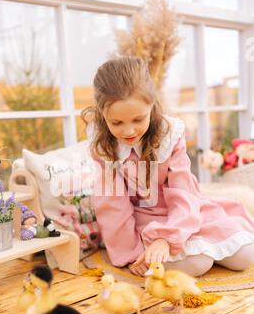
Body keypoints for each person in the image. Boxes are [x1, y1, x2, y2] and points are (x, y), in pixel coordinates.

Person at [82, 56, 254, 277]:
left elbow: (184, 193)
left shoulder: (169, 135)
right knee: (198, 263)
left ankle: (193, 245)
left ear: (151, 105)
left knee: (247, 255)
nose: (128, 131)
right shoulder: (104, 144)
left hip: (183, 212)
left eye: (138, 119)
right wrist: (131, 254)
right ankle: (179, 253)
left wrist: (166, 237)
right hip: (141, 217)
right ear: (103, 114)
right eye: (117, 123)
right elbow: (112, 205)